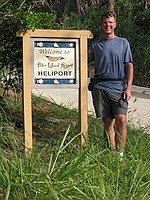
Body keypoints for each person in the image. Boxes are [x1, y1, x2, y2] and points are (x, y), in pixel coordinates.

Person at [88, 11, 134, 158]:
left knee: (121, 119)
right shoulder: (95, 45)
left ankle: (120, 154)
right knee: (107, 122)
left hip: (118, 87)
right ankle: (111, 153)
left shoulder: (123, 43)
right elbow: (81, 59)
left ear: (114, 24)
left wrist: (128, 87)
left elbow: (129, 65)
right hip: (100, 87)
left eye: (110, 22)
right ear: (101, 25)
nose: (108, 25)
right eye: (105, 22)